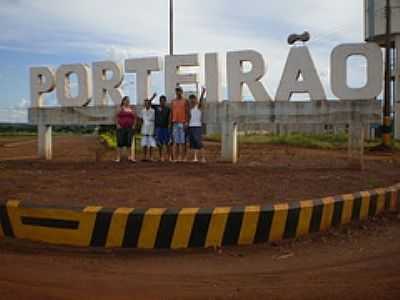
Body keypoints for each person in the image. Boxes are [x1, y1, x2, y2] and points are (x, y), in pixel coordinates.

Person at [170, 86, 189, 162]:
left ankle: (182, 157)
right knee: (176, 141)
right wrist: (170, 123)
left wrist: (186, 122)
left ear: (182, 92)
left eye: (179, 91)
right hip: (175, 122)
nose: (178, 92)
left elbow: (187, 112)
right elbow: (171, 112)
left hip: (182, 122)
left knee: (182, 142)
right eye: (177, 91)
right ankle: (176, 157)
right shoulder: (173, 101)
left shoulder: (185, 101)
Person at [115, 96, 137, 162]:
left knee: (129, 143)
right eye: (126, 100)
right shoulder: (120, 108)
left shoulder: (131, 109)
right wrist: (117, 125)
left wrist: (134, 125)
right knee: (120, 143)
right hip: (121, 128)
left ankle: (130, 157)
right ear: (123, 101)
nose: (127, 101)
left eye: (128, 100)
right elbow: (116, 116)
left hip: (129, 128)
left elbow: (135, 118)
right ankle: (118, 157)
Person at [188, 87, 207, 162]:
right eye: (191, 99)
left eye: (193, 99)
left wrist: (202, 93)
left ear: (195, 100)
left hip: (197, 126)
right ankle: (195, 158)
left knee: (198, 142)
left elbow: (201, 101)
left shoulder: (198, 107)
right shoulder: (189, 109)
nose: (192, 101)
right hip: (191, 126)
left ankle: (203, 158)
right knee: (193, 143)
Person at [153, 95, 171, 161]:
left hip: (166, 128)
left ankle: (169, 157)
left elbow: (169, 118)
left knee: (167, 143)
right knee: (159, 144)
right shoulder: (156, 107)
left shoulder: (168, 109)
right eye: (161, 101)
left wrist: (169, 126)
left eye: (164, 101)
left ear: (165, 101)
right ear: (159, 101)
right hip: (158, 128)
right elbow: (148, 103)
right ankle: (161, 157)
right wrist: (153, 97)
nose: (162, 102)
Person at [140, 93, 157, 161]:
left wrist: (153, 97)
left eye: (148, 103)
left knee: (151, 143)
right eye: (145, 103)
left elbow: (155, 120)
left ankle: (151, 157)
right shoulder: (142, 111)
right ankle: (144, 157)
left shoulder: (153, 111)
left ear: (150, 104)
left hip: (151, 127)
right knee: (144, 143)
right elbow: (141, 120)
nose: (146, 104)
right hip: (144, 127)